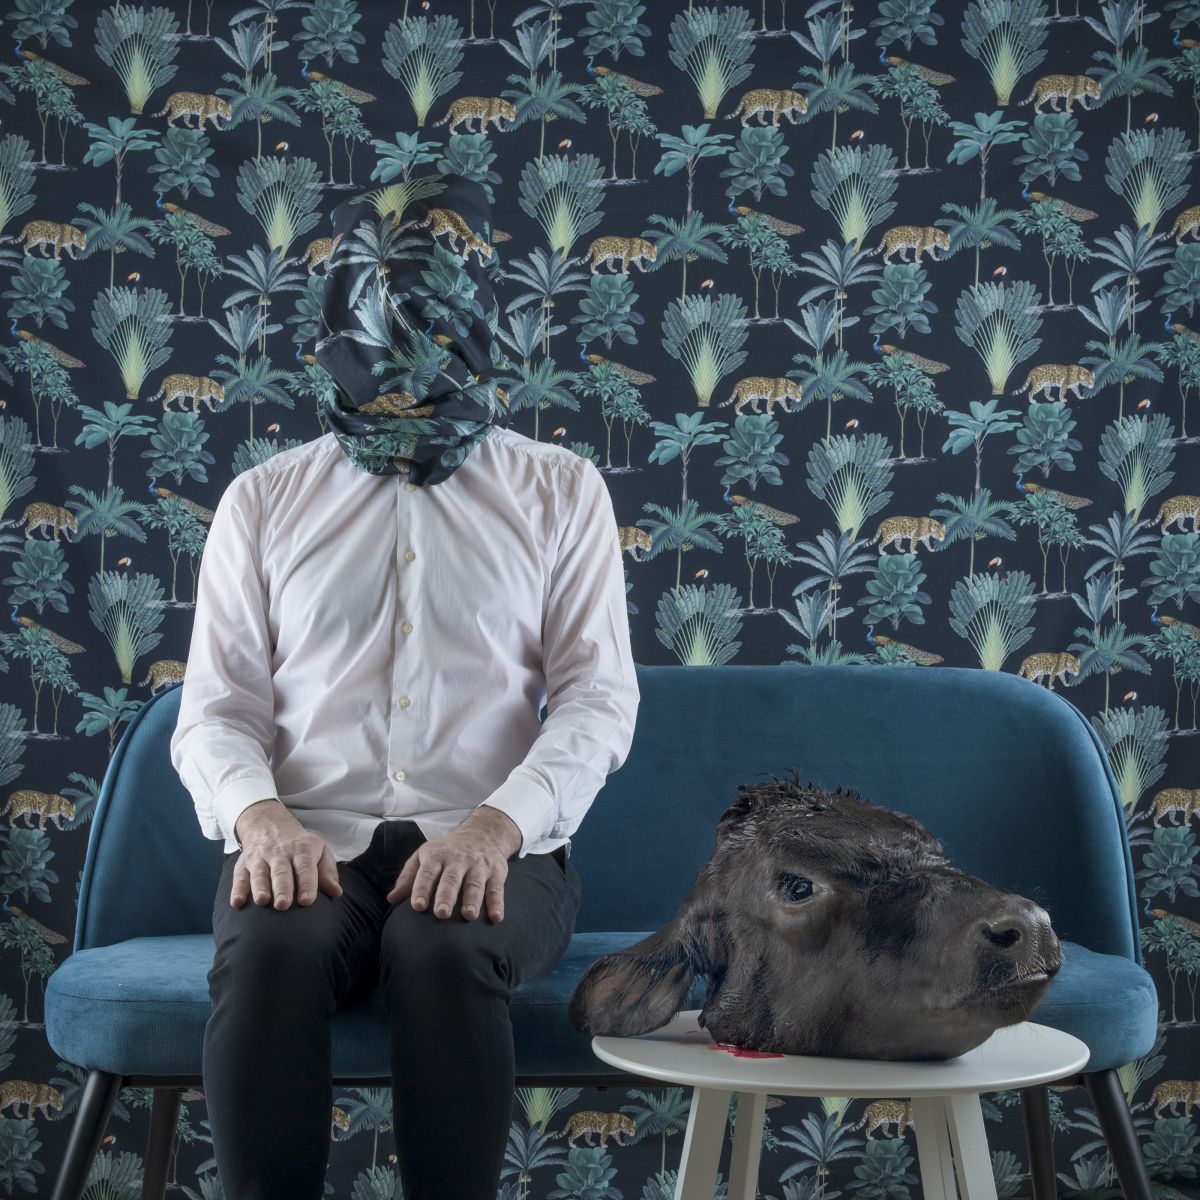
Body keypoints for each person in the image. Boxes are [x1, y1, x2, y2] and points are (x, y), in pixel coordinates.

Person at [169, 168, 640, 1200]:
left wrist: (496, 828)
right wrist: (259, 821)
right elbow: (216, 711)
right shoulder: (262, 502)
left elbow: (599, 700)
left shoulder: (560, 490)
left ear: (477, 316)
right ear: (340, 322)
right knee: (269, 954)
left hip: (501, 845)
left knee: (441, 951)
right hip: (307, 840)